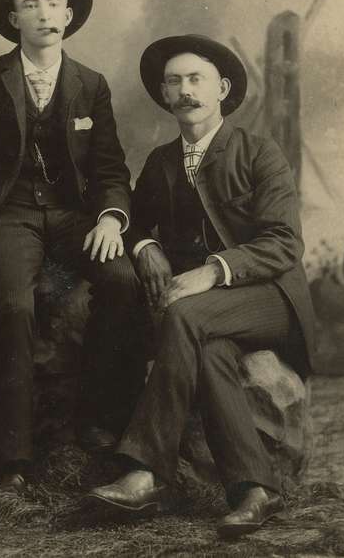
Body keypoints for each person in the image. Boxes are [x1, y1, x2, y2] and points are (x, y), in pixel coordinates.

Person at [0, 0, 146, 493]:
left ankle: (99, 421)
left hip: (74, 218)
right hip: (9, 216)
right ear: (13, 19)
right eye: (31, 5)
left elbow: (110, 168)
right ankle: (14, 458)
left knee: (122, 282)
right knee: (14, 304)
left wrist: (112, 219)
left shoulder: (90, 83)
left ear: (69, 16)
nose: (44, 14)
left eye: (53, 4)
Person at [87, 34, 316, 538]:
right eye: (174, 82)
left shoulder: (259, 152)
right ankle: (255, 489)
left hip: (272, 299)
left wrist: (212, 271)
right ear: (165, 95)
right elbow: (136, 222)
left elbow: (284, 243)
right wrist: (145, 246)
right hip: (213, 314)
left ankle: (145, 470)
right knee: (210, 354)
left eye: (196, 79)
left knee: (184, 314)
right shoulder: (161, 162)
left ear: (222, 89)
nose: (184, 90)